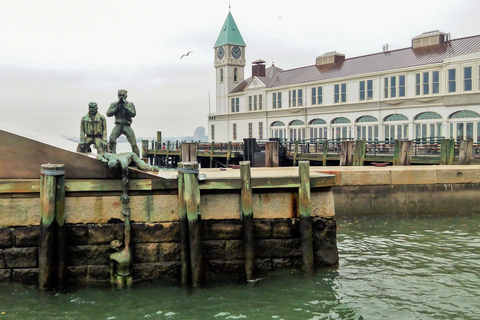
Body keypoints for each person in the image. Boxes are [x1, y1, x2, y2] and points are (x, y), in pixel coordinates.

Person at [106, 89, 140, 156]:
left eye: (123, 95)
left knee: (133, 144)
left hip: (127, 126)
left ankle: (137, 157)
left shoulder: (130, 104)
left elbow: (133, 114)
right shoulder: (114, 104)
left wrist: (126, 107)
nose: (121, 97)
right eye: (120, 95)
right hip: (118, 125)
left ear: (126, 96)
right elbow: (108, 113)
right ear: (118, 96)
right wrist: (117, 107)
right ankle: (113, 155)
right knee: (112, 140)